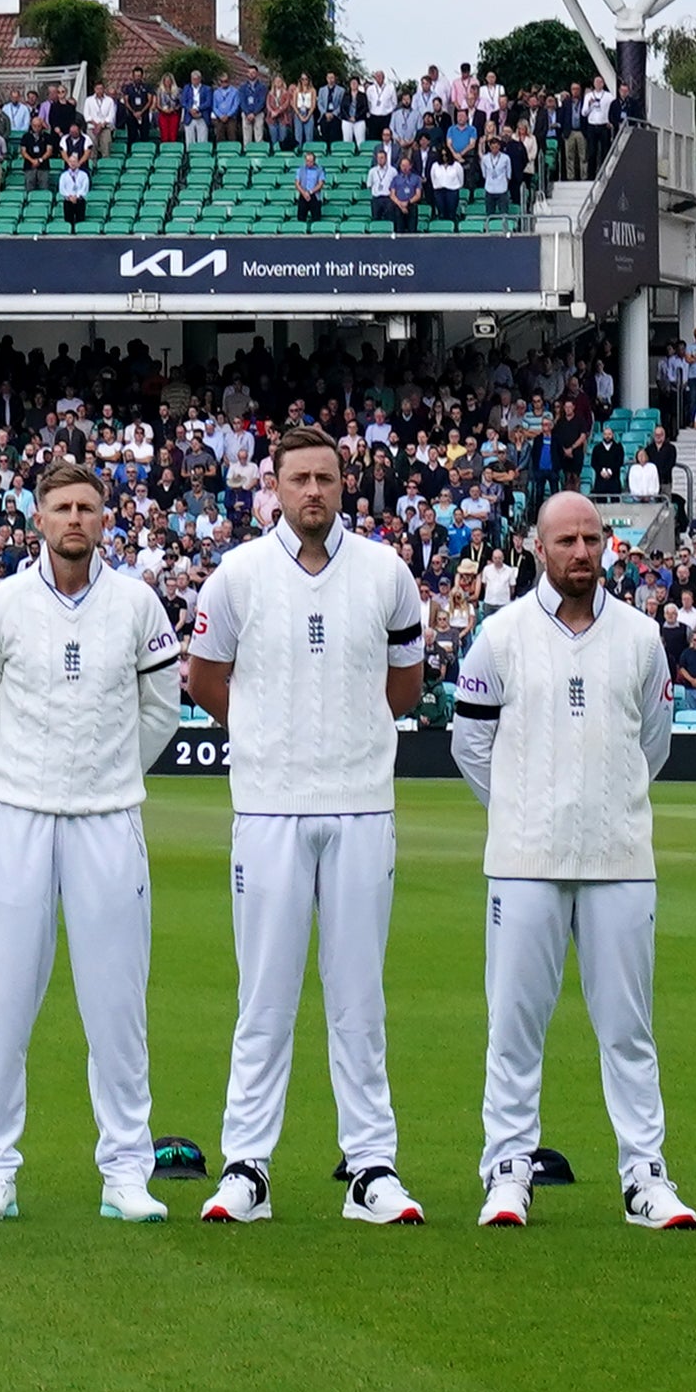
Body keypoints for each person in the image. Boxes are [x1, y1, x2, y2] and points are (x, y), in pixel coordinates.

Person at [189, 422, 430, 1227]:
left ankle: (371, 1167)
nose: (314, 492)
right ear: (276, 486)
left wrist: (354, 740)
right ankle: (245, 1166)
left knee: (358, 995)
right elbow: (206, 676)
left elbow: (404, 682)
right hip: (267, 806)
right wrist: (264, 738)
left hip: (361, 804)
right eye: (299, 480)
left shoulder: (386, 571)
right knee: (264, 994)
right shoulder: (238, 575)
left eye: (326, 478)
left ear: (343, 482)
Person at [0, 464, 180, 1224]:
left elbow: (160, 712)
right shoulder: (2, 605)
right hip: (15, 818)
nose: (74, 519)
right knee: (1, 1002)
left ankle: (124, 1170)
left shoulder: (137, 604)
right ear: (37, 519)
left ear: (103, 518)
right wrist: (22, 781)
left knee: (116, 1005)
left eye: (86, 506)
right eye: (60, 508)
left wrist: (102, 776)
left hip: (109, 819)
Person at [457, 490, 692, 1233]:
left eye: (592, 538)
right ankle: (505, 1170)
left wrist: (606, 804)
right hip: (524, 860)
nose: (582, 551)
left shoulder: (641, 636)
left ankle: (644, 1176)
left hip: (620, 858)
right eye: (567, 540)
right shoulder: (499, 635)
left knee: (627, 1028)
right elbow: (469, 745)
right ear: (537, 546)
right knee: (514, 1025)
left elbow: (651, 743)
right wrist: (525, 809)